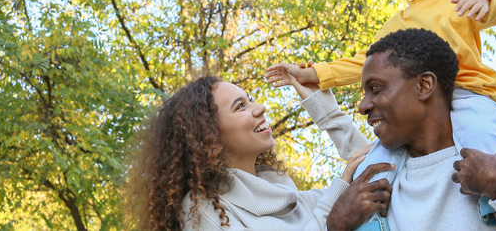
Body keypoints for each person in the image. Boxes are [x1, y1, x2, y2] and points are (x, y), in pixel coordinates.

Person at [266, 0, 496, 226]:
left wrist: (485, 2)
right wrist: (316, 74)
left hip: (468, 93)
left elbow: (494, 11)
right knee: (370, 165)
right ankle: (372, 223)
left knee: (484, 143)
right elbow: (363, 63)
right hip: (419, 108)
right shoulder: (395, 24)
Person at [287, 28, 496, 230]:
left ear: (424, 86)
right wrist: (336, 226)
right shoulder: (375, 183)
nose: (363, 105)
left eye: (376, 88)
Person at [124, 76, 394, 230]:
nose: (260, 108)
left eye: (250, 99)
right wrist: (333, 223)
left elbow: (383, 168)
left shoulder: (292, 198)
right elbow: (333, 219)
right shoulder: (203, 212)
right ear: (208, 136)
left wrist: (324, 109)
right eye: (240, 106)